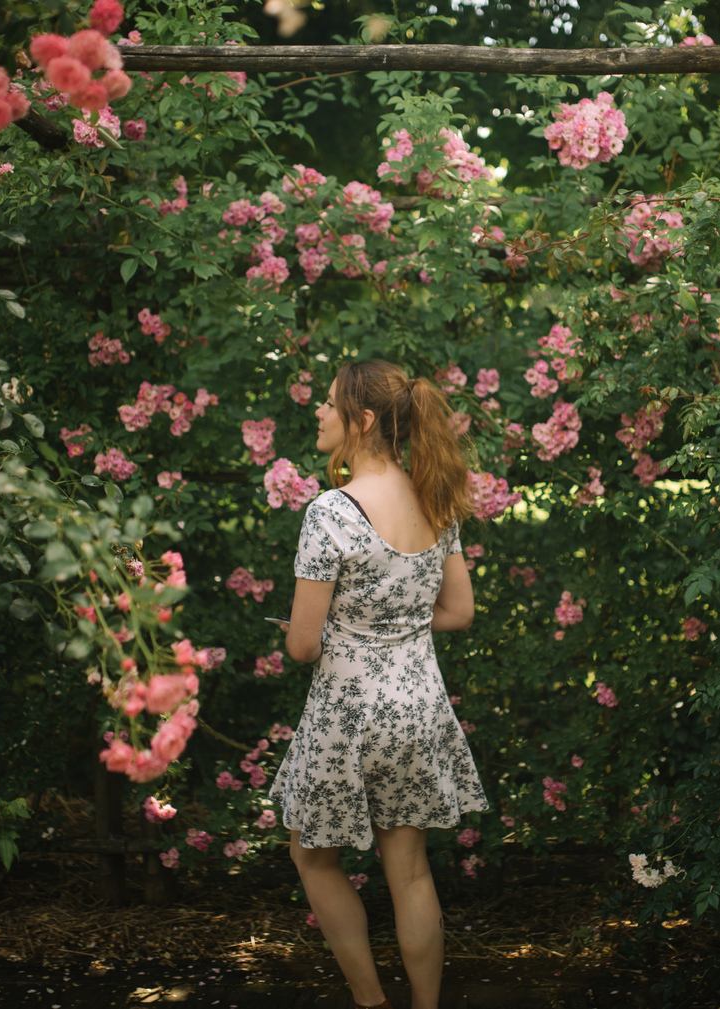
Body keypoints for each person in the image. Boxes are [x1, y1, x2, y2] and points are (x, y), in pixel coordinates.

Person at [267, 359, 491, 1009]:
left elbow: (303, 643)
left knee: (312, 857)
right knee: (411, 869)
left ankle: (370, 1002)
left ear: (362, 421)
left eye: (328, 403)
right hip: (418, 706)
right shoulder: (432, 496)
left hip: (348, 715)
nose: (317, 411)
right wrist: (394, 624)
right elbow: (458, 611)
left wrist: (322, 626)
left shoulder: (330, 511)